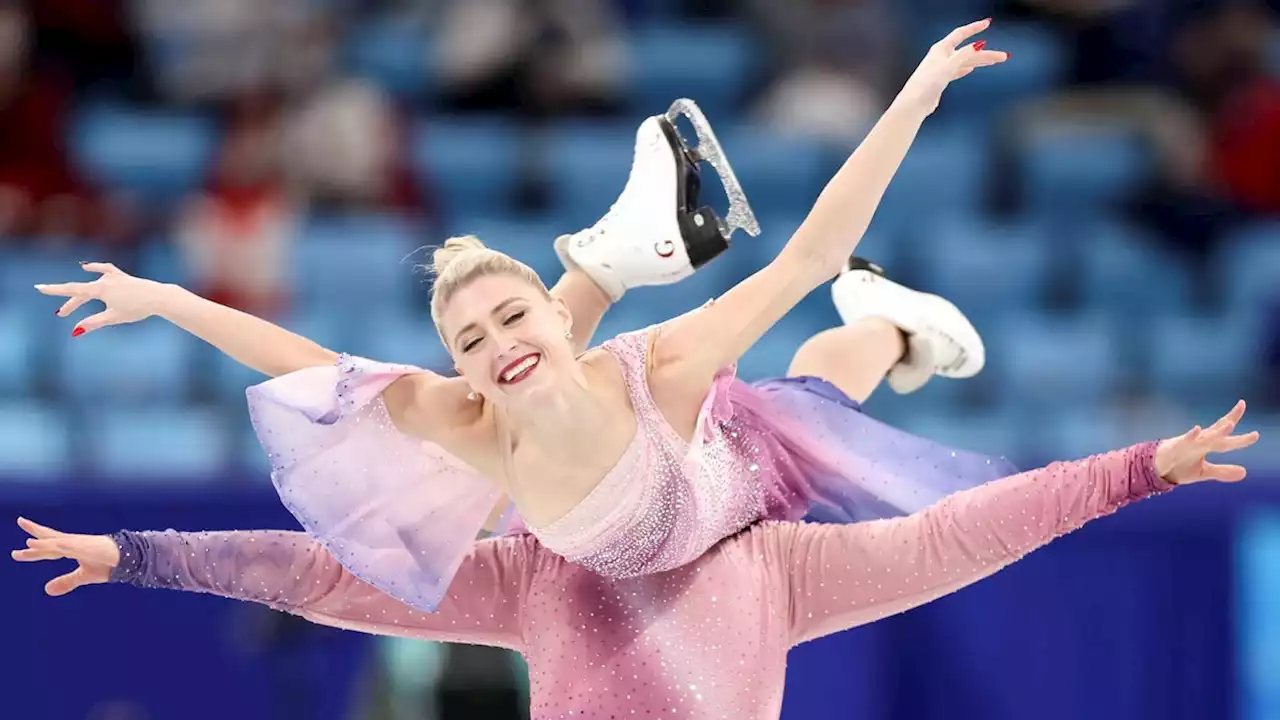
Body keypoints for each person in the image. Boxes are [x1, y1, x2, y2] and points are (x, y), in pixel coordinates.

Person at [35, 21, 1013, 614]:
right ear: (454, 365)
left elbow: (805, 254)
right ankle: (610, 255)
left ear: (546, 315)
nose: (493, 346)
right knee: (541, 376)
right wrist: (166, 296)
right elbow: (298, 358)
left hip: (733, 483)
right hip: (621, 500)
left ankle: (886, 320)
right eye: (469, 340)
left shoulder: (662, 366)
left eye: (508, 318)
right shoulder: (461, 417)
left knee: (818, 387)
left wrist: (913, 97)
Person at [12, 402, 1259, 719]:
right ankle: (875, 334)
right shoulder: (535, 575)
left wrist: (1137, 468)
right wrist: (135, 552)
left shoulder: (777, 567)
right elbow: (316, 574)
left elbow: (960, 532)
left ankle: (876, 334)